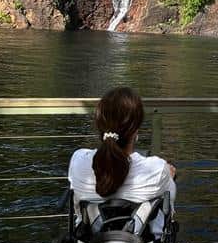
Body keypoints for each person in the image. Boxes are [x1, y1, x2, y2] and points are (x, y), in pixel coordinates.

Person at [68, 87, 176, 234]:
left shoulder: (78, 161)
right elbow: (168, 204)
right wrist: (169, 177)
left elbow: (77, 208)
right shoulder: (157, 169)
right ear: (135, 130)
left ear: (99, 125)